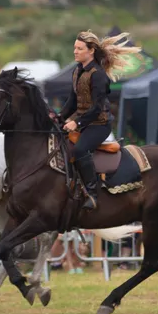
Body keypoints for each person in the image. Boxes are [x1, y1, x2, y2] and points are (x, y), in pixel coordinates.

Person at [59, 30, 141, 210]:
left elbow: (96, 108)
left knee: (80, 150)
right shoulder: (77, 71)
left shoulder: (98, 75)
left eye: (79, 49)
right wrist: (59, 117)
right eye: (75, 48)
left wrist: (76, 122)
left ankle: (92, 193)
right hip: (83, 122)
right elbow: (72, 102)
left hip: (99, 124)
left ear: (91, 51)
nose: (75, 52)